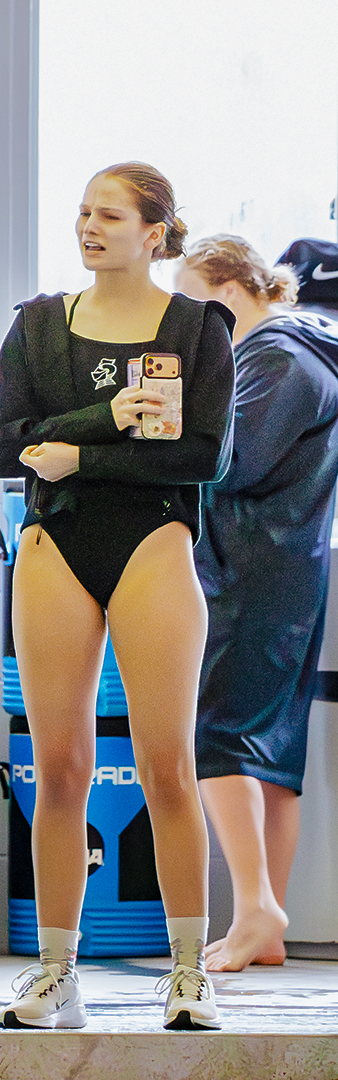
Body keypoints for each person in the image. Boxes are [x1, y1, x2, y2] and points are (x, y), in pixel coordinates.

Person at [0, 162, 232, 1031]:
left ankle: (188, 972)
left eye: (111, 216)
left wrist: (82, 456)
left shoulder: (199, 329)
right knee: (58, 770)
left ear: (155, 233)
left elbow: (203, 456)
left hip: (154, 539)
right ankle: (56, 973)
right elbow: (4, 449)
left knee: (169, 768)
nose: (90, 227)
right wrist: (103, 421)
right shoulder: (39, 327)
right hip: (57, 541)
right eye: (84, 212)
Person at [174, 236, 338, 972]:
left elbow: (231, 463)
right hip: (289, 569)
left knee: (220, 741)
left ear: (232, 288)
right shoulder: (314, 350)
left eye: (193, 301)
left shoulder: (275, 357)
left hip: (246, 571)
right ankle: (263, 922)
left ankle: (254, 907)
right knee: (274, 754)